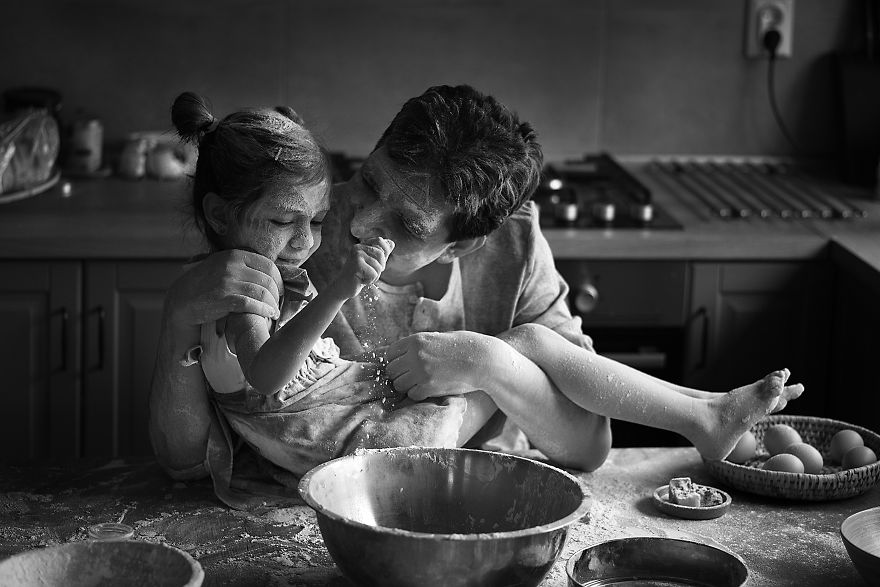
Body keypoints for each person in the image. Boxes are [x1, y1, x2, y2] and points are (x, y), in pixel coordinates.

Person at [150, 85, 802, 503]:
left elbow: (587, 445)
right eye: (371, 183)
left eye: (406, 224)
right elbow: (184, 462)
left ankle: (705, 414)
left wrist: (484, 359)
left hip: (465, 510)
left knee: (526, 345)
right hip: (322, 505)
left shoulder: (512, 248)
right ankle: (704, 413)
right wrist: (180, 318)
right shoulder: (293, 218)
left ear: (462, 245)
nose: (359, 223)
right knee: (531, 347)